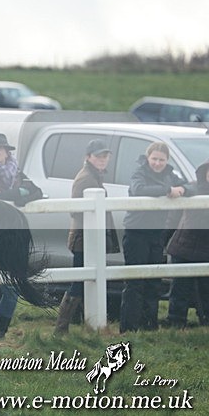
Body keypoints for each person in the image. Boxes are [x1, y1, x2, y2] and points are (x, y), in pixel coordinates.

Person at [0, 133, 42, 339]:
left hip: (12, 240)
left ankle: (1, 331)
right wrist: (16, 194)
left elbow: (35, 191)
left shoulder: (17, 173)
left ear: (6, 152)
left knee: (12, 286)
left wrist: (14, 194)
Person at [120, 142, 187, 333]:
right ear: (147, 158)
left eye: (162, 160)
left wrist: (182, 190)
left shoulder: (170, 174)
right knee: (135, 281)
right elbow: (140, 189)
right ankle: (129, 328)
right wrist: (168, 190)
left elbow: (186, 185)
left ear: (167, 161)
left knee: (153, 281)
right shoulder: (138, 173)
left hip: (157, 233)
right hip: (136, 233)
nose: (158, 163)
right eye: (154, 159)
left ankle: (149, 327)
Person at [55, 139, 120, 334]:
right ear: (88, 157)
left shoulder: (94, 175)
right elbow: (76, 210)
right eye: (98, 156)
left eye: (105, 156)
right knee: (79, 283)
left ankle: (83, 325)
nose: (102, 159)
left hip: (87, 238)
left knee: (85, 281)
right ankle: (61, 328)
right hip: (83, 239)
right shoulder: (86, 178)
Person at [165, 159, 209, 328]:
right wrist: (166, 238)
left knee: (206, 290)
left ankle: (205, 322)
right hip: (185, 245)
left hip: (201, 247)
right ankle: (176, 324)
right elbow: (175, 217)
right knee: (180, 288)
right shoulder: (192, 188)